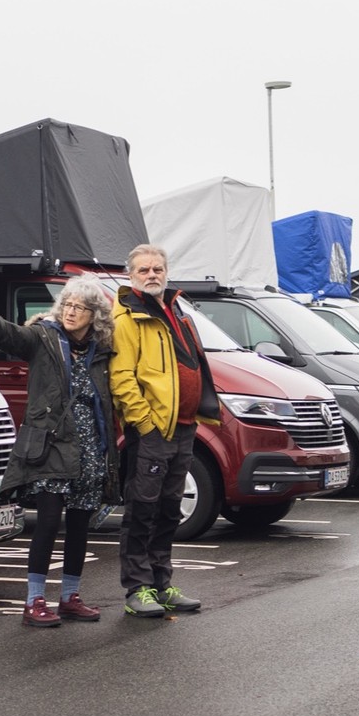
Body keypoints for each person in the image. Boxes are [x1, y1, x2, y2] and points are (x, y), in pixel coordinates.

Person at [0, 281, 118, 628]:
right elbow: (10, 336)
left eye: (80, 308)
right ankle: (33, 602)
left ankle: (70, 598)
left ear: (95, 317)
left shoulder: (101, 350)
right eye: (68, 305)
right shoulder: (44, 338)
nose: (71, 311)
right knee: (46, 523)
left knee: (79, 527)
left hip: (90, 448)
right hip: (51, 445)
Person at [111, 244, 221, 617]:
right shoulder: (128, 318)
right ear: (131, 275)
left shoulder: (175, 310)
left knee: (170, 508)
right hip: (152, 430)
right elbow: (122, 378)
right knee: (142, 508)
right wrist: (145, 423)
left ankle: (161, 582)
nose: (152, 274)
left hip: (185, 427)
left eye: (158, 268)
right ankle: (137, 589)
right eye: (144, 270)